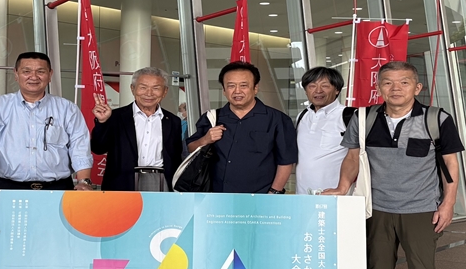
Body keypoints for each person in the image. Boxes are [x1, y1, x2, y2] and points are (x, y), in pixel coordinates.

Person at [325, 60, 462, 269]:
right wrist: (342, 187)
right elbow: (352, 157)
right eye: (388, 82)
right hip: (376, 209)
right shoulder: (364, 118)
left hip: (421, 210)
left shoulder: (436, 119)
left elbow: (450, 163)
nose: (395, 88)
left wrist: (448, 203)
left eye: (404, 82)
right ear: (379, 87)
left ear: (417, 87)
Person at [0, 51, 93, 191]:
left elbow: (80, 146)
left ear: (50, 75)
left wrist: (84, 181)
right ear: (16, 74)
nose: (34, 77)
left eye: (40, 71)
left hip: (58, 187)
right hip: (6, 186)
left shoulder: (67, 109)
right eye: (26, 71)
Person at [187, 61, 297, 194]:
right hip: (217, 196)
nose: (237, 91)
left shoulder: (277, 119)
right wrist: (205, 140)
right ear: (224, 90)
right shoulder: (212, 118)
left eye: (243, 85)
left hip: (260, 197)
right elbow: (191, 148)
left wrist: (273, 192)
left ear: (255, 88)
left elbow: (286, 161)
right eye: (231, 86)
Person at [90, 67, 185, 191]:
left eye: (156, 88)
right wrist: (102, 122)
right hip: (123, 182)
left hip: (161, 180)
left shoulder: (173, 121)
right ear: (132, 89)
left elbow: (175, 157)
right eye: (143, 87)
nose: (149, 93)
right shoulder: (116, 117)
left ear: (165, 91)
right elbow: (98, 148)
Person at [294, 66, 351, 195]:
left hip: (336, 195)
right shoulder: (302, 116)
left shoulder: (348, 116)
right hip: (302, 195)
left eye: (325, 86)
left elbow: (356, 156)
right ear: (306, 91)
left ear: (337, 90)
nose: (318, 90)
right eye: (312, 86)